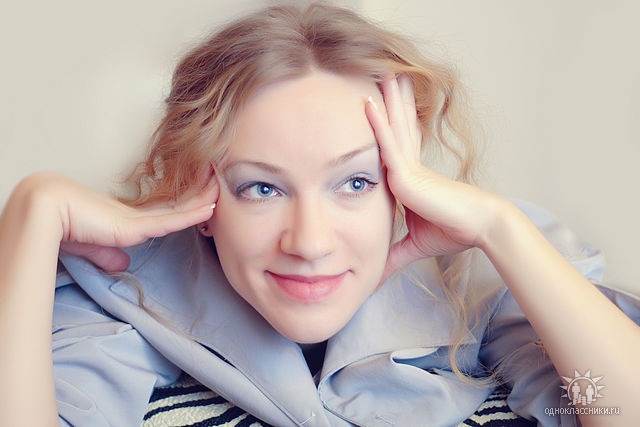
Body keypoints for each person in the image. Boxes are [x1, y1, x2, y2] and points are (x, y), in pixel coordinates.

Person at [0, 2, 639, 426]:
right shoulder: (133, 288)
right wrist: (32, 215)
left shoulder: (477, 269)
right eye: (261, 188)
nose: (309, 242)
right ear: (202, 194)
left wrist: (502, 230)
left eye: (355, 182)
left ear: (400, 186)